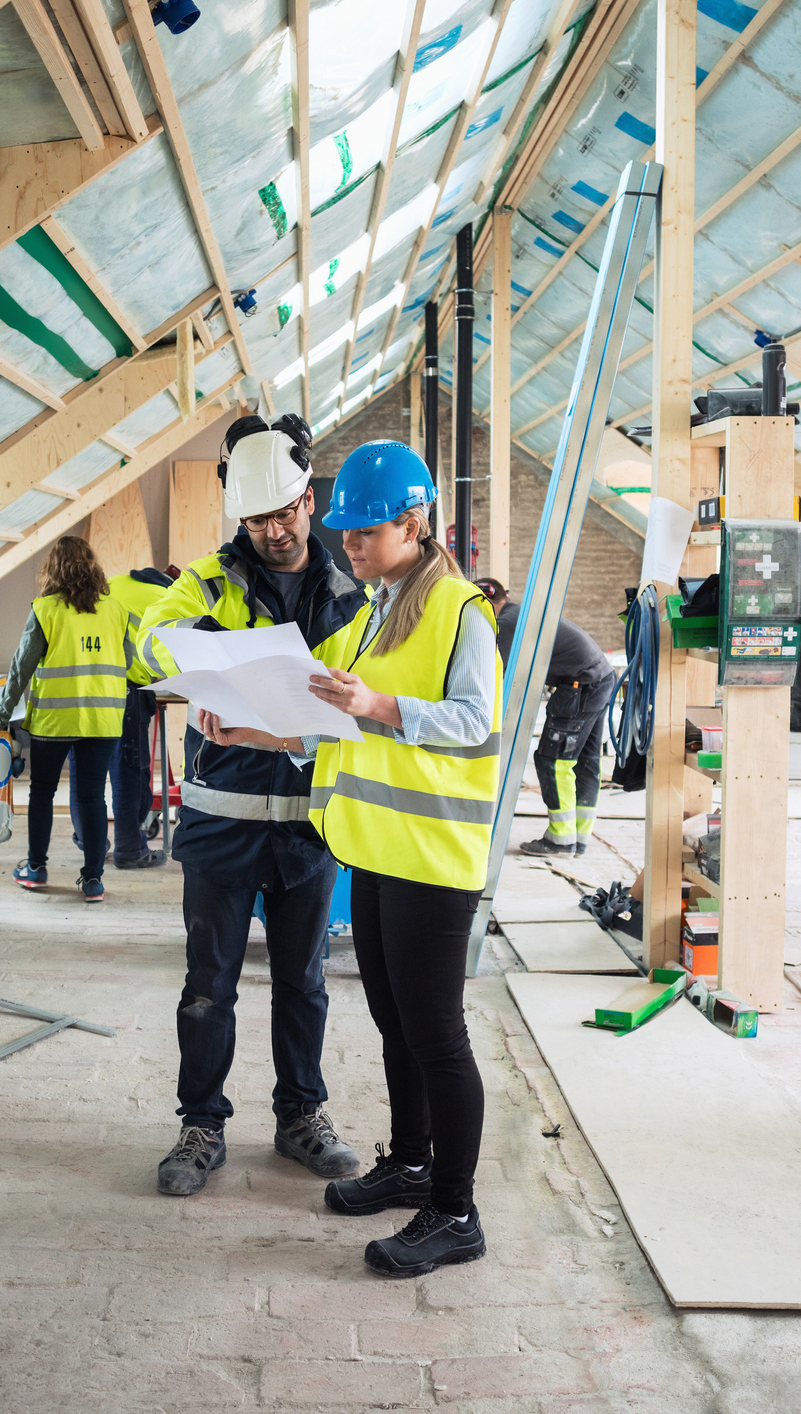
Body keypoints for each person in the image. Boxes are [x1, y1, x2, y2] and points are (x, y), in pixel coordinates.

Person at [198, 439, 500, 1279]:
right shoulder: (379, 605)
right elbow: (342, 728)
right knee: (394, 1024)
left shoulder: (457, 609)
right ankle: (409, 1163)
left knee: (438, 1036)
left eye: (366, 533)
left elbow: (473, 721)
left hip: (433, 856)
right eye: (348, 534)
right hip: (376, 851)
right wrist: (249, 727)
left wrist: (378, 701)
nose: (351, 547)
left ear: (413, 522)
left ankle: (454, 1210)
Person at [136, 412, 369, 1198]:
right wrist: (198, 653)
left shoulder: (349, 596)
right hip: (219, 822)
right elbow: (151, 638)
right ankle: (200, 1124)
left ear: (310, 500)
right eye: (258, 517)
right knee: (209, 987)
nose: (273, 529)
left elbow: (355, 706)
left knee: (303, 984)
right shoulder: (207, 579)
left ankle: (301, 1115)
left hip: (307, 828)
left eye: (286, 511)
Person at [0, 535, 129, 903]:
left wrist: (1, 717)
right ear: (92, 566)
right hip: (102, 721)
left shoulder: (45, 610)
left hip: (54, 721)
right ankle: (93, 880)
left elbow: (20, 669)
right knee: (92, 797)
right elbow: (130, 662)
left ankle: (36, 868)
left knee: (42, 793)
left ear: (53, 569)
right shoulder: (116, 610)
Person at [477, 579, 618, 857]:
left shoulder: (507, 622)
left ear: (486, 602)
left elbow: (498, 675)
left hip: (580, 684)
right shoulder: (523, 612)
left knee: (553, 760)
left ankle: (560, 841)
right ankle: (577, 838)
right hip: (599, 678)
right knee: (586, 762)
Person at [103, 566, 178, 869]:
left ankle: (89, 843)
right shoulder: (168, 597)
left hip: (83, 687)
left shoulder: (115, 582)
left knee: (87, 773)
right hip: (124, 689)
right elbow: (171, 655)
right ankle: (130, 849)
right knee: (130, 772)